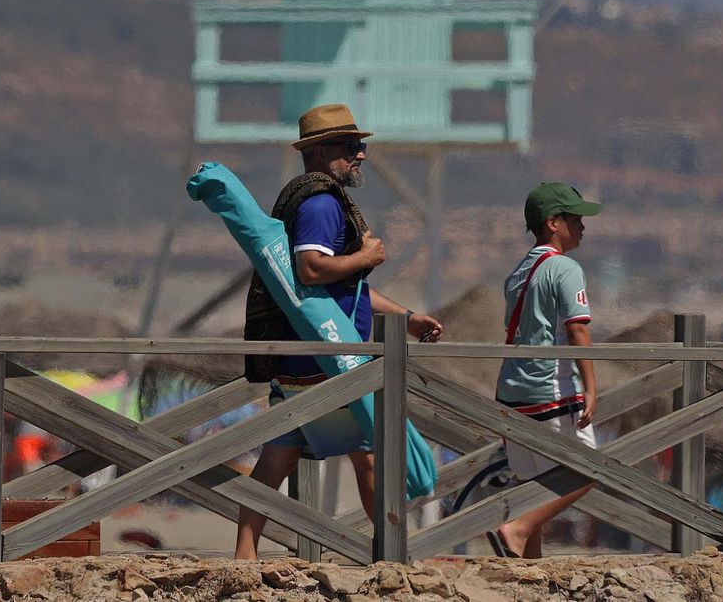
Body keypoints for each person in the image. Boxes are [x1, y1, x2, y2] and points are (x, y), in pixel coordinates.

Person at [234, 103, 444, 559]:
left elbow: (342, 287)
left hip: (300, 361)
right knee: (370, 455)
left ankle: (244, 556)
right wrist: (366, 258)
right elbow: (314, 270)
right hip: (331, 365)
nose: (361, 155)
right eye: (351, 147)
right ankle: (392, 555)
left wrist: (406, 318)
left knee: (279, 456)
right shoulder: (322, 204)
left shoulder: (308, 199)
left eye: (361, 146)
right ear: (321, 152)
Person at [487, 181, 603, 559]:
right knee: (588, 470)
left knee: (531, 487)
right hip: (549, 387)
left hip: (511, 391)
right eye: (575, 219)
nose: (583, 226)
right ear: (553, 223)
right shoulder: (564, 268)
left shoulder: (519, 271)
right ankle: (516, 532)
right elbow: (577, 328)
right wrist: (590, 385)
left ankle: (527, 571)